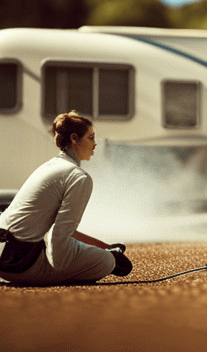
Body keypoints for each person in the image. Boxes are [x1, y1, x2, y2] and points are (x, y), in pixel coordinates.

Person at [0, 111, 132, 285]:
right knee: (105, 262)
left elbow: (60, 229)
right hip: (22, 265)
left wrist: (104, 247)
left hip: (4, 258)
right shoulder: (78, 177)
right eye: (91, 138)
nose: (95, 144)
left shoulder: (49, 167)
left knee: (98, 254)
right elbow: (58, 240)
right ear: (74, 139)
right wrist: (107, 258)